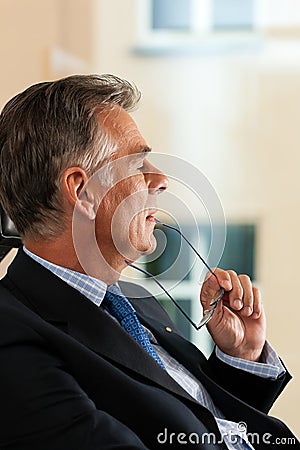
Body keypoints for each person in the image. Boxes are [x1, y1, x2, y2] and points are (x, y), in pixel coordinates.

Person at [0, 74, 298, 450]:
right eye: (139, 165)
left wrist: (239, 357)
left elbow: (198, 420)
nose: (160, 180)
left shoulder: (135, 301)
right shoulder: (10, 335)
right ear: (83, 191)